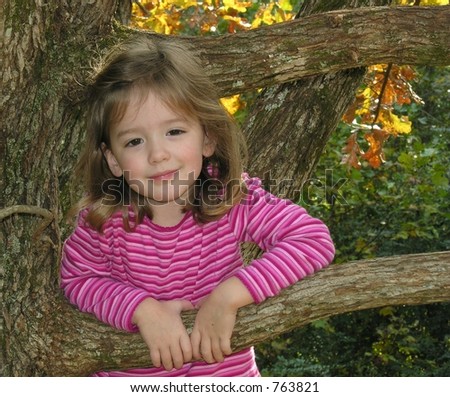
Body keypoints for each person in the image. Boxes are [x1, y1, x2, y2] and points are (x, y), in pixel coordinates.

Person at [60, 36, 335, 377]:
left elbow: (311, 239)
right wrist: (141, 309)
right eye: (134, 141)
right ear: (113, 160)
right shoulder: (103, 219)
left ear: (207, 139)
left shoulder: (232, 197)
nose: (157, 154)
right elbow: (79, 279)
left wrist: (230, 295)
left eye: (174, 131)